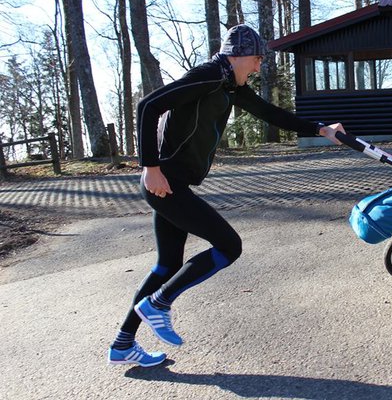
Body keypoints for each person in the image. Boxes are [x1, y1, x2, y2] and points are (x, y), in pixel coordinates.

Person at [108, 24, 345, 367]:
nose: (258, 66)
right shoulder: (208, 76)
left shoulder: (231, 86)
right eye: (257, 59)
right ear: (239, 55)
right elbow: (148, 106)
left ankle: (122, 343)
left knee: (167, 265)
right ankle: (159, 304)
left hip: (175, 185)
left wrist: (322, 129)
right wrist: (151, 166)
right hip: (165, 182)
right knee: (229, 246)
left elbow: (271, 114)